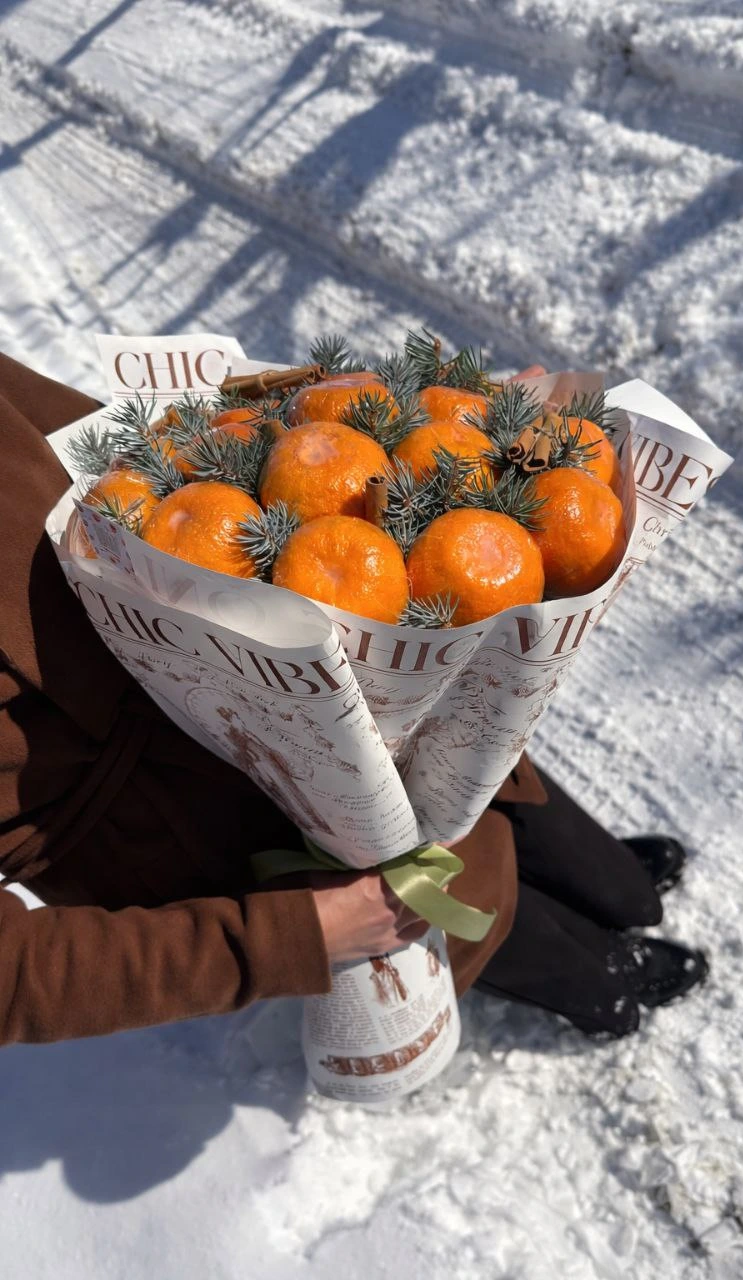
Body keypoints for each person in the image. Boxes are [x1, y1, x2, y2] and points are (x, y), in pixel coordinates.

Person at [0, 352, 706, 1048]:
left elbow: (84, 446)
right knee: (427, 899)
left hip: (259, 580)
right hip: (170, 813)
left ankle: (611, 888)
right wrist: (284, 939)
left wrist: (496, 441)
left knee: (475, 766)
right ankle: (600, 984)